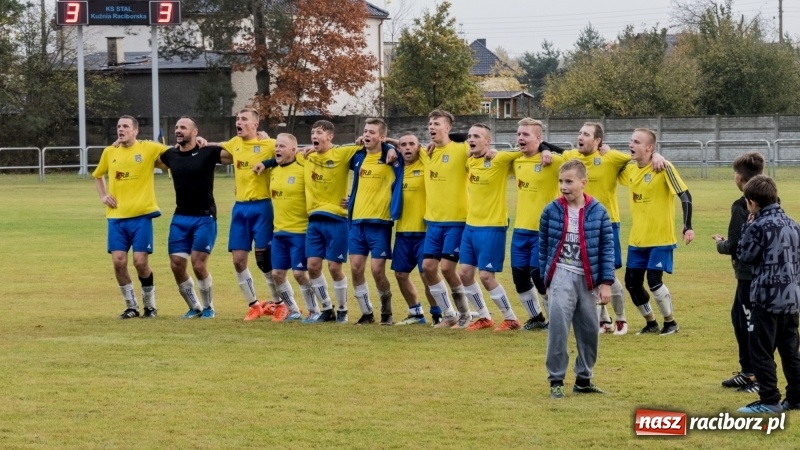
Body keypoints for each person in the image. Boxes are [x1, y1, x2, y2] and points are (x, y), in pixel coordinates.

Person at [563, 123, 665, 335]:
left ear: (598, 140)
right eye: (580, 132)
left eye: (586, 134)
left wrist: (658, 156)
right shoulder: (572, 156)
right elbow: (553, 150)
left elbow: (640, 157)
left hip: (608, 223)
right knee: (589, 273)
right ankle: (604, 320)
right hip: (581, 223)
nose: (580, 136)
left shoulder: (612, 157)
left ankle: (621, 319)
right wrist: (545, 150)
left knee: (608, 273)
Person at [539, 160, 615, 399]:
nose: (563, 186)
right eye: (561, 181)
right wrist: (547, 279)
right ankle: (556, 380)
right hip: (561, 275)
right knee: (559, 329)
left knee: (590, 330)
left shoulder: (599, 211)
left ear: (583, 183)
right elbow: (542, 247)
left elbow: (607, 249)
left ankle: (584, 379)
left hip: (587, 279)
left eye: (569, 181)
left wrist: (606, 283)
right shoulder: (550, 210)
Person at [735, 175, 800, 414]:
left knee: (760, 350)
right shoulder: (793, 224)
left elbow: (745, 255)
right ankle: (795, 396)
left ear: (752, 203)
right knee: (790, 350)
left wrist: (747, 226)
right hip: (792, 298)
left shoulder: (758, 226)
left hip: (766, 298)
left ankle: (770, 400)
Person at [93, 115, 168, 319]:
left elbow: (173, 154)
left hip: (141, 217)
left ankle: (150, 305)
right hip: (116, 218)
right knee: (118, 262)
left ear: (135, 131)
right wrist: (103, 195)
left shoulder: (148, 148)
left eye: (125, 126)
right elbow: (98, 174)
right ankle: (131, 306)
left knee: (140, 262)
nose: (121, 129)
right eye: (119, 126)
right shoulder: (110, 152)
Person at [302, 120, 378, 324]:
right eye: (312, 132)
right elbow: (282, 153)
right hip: (314, 220)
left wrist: (362, 140)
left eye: (319, 132)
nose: (314, 136)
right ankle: (327, 308)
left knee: (335, 268)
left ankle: (343, 309)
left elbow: (369, 149)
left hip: (337, 219)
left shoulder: (342, 153)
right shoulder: (307, 156)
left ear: (330, 136)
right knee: (312, 266)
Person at [620, 128, 694, 335]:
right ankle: (651, 323)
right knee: (632, 283)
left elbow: (685, 196)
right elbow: (610, 162)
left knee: (654, 281)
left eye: (636, 141)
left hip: (661, 238)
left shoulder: (663, 167)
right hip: (637, 239)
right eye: (630, 140)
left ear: (649, 147)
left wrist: (688, 225)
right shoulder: (629, 169)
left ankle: (670, 323)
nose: (631, 145)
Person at [209, 108, 279, 321]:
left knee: (264, 260)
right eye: (238, 119)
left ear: (255, 124)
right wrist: (201, 141)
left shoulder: (269, 144)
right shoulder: (234, 143)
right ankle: (254, 305)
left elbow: (290, 153)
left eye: (244, 119)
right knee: (238, 260)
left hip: (263, 206)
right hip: (240, 208)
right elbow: (217, 148)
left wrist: (267, 162)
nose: (239, 122)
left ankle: (279, 303)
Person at [160, 117, 230, 319]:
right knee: (176, 265)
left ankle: (209, 307)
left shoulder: (208, 152)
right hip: (180, 216)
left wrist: (213, 143)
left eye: (183, 127)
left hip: (204, 216)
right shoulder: (170, 155)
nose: (178, 130)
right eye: (176, 128)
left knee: (198, 264)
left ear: (195, 131)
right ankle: (194, 306)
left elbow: (237, 154)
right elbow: (145, 156)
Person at [457, 123, 524, 331]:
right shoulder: (469, 161)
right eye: (469, 136)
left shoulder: (500, 159)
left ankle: (511, 317)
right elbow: (450, 137)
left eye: (477, 136)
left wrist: (547, 149)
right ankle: (484, 317)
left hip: (492, 226)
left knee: (486, 276)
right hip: (471, 226)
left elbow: (525, 150)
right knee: (465, 273)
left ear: (488, 141)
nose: (471, 139)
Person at [712, 152, 765, 393]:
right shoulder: (772, 199)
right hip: (763, 274)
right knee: (740, 318)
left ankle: (754, 375)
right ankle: (747, 371)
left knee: (746, 324)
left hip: (747, 275)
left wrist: (720, 244)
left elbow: (735, 245)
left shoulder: (740, 204)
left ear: (740, 178)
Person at [346, 118, 404, 325]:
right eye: (365, 131)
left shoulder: (391, 156)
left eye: (372, 132)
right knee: (355, 268)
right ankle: (366, 312)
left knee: (377, 269)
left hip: (380, 223)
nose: (367, 135)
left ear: (381, 136)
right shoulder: (358, 157)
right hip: (357, 221)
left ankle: (386, 311)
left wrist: (389, 144)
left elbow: (412, 147)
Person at [418, 110, 472, 328]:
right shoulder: (426, 152)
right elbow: (406, 144)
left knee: (448, 269)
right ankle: (449, 315)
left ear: (448, 128)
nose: (432, 127)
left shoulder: (461, 149)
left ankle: (465, 314)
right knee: (428, 268)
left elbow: (477, 139)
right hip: (433, 222)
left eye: (437, 123)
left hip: (457, 221)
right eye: (430, 123)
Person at [510, 118, 563, 331]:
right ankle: (537, 318)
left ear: (538, 138)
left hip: (545, 230)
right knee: (519, 276)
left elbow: (577, 157)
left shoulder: (553, 161)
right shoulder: (515, 160)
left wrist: (546, 148)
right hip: (520, 229)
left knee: (538, 275)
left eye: (526, 134)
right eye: (519, 134)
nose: (520, 138)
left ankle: (555, 320)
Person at [390, 133, 441, 325]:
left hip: (425, 231)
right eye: (403, 145)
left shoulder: (426, 164)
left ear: (419, 147)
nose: (407, 148)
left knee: (426, 273)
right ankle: (416, 313)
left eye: (412, 144)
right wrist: (387, 142)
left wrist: (392, 141)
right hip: (403, 231)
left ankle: (438, 314)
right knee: (400, 274)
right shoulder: (398, 168)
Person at [267, 133, 317, 322]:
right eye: (276, 146)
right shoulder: (273, 171)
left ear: (294, 150)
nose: (277, 149)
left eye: (282, 146)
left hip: (301, 231)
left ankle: (314, 310)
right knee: (277, 274)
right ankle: (293, 309)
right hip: (279, 231)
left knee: (299, 273)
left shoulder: (303, 167)